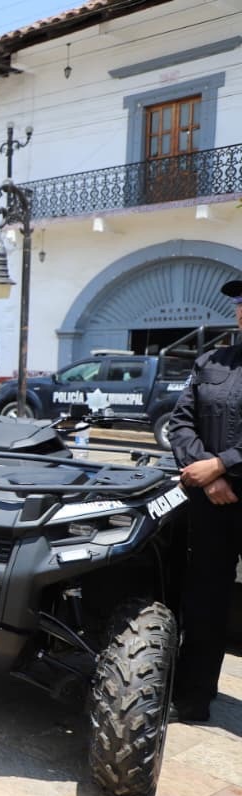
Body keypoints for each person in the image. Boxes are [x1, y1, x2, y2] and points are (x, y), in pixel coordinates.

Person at [166, 277, 242, 723]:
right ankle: (193, 699)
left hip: (224, 483)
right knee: (205, 599)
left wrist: (223, 465)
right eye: (239, 301)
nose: (241, 308)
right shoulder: (211, 359)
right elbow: (180, 423)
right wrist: (208, 473)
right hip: (212, 503)